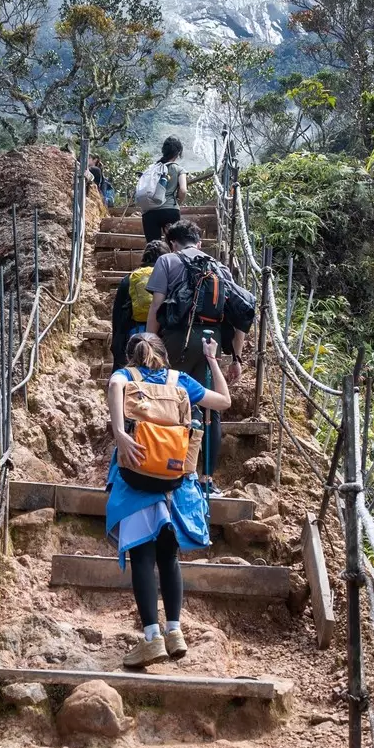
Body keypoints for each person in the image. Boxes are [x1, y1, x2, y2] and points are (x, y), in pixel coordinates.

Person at [105, 332, 231, 668]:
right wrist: (212, 359)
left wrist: (119, 431)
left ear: (132, 356)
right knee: (169, 558)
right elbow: (224, 401)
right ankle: (175, 631)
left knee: (142, 558)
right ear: (164, 354)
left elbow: (114, 387)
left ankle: (152, 639)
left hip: (136, 478)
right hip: (175, 483)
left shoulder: (125, 377)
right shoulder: (181, 381)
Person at [144, 218, 246, 487]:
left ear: (172, 243)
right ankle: (207, 477)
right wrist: (236, 357)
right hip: (211, 343)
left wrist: (150, 342)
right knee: (210, 408)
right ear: (200, 243)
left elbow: (156, 307)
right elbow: (239, 312)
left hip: (177, 339)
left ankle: (166, 465)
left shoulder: (167, 261)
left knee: (167, 399)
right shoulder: (220, 267)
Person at [110, 241, 165, 371]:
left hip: (133, 332)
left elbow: (117, 314)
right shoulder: (167, 279)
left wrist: (117, 343)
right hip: (160, 335)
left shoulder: (130, 279)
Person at [136, 136, 188, 241]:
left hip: (149, 212)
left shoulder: (152, 168)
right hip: (170, 211)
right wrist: (178, 202)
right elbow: (183, 190)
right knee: (174, 245)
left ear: (164, 151)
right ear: (178, 153)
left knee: (153, 247)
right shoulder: (179, 169)